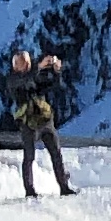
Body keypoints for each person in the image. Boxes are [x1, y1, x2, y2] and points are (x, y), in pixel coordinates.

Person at [9, 45, 73, 198]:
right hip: (28, 123)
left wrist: (56, 71)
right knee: (29, 156)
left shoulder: (34, 76)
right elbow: (25, 81)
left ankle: (64, 186)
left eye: (27, 61)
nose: (27, 64)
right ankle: (29, 190)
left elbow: (51, 85)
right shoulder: (13, 80)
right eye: (23, 62)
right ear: (16, 66)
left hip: (44, 121)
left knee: (56, 153)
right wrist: (40, 66)